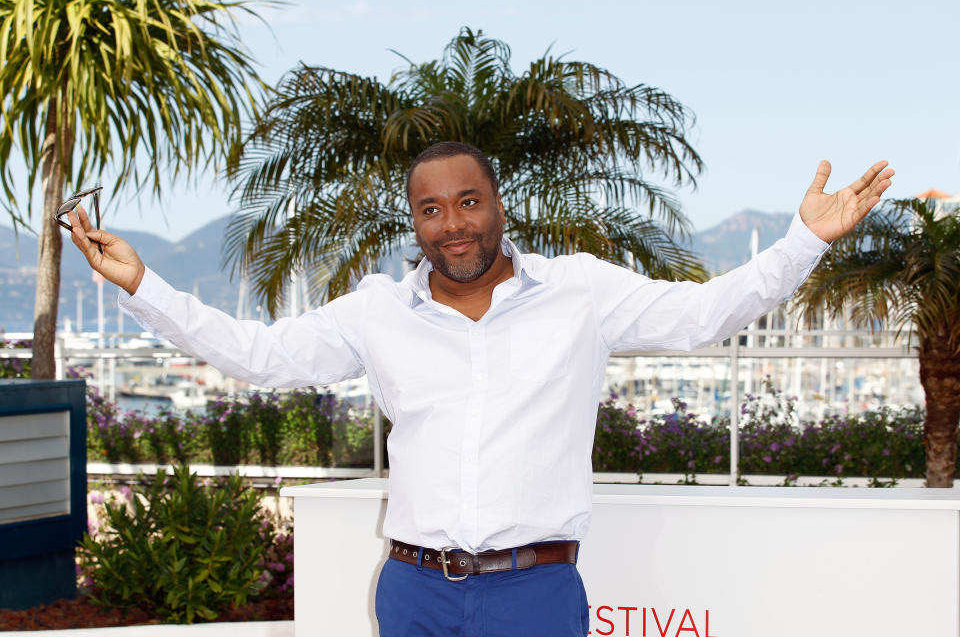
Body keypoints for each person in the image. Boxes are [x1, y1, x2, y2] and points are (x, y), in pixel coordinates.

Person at [67, 141, 893, 636]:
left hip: (535, 592)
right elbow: (257, 352)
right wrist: (144, 285)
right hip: (414, 589)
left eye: (468, 201)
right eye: (431, 210)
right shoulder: (378, 312)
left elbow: (705, 313)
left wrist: (801, 244)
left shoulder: (581, 291)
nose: (452, 223)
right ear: (415, 223)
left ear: (499, 204)